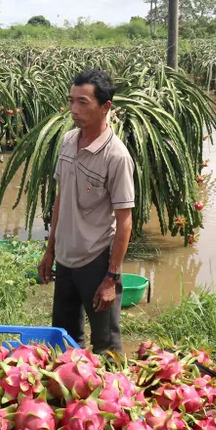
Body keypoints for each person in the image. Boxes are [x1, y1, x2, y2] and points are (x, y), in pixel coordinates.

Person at [38, 69, 135, 354]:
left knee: (106, 345)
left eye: (83, 102)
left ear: (105, 107)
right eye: (71, 101)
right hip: (65, 258)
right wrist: (50, 250)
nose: (74, 109)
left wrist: (111, 278)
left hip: (96, 260)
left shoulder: (116, 156)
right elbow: (61, 197)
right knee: (65, 340)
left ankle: (113, 383)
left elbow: (124, 221)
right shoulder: (68, 140)